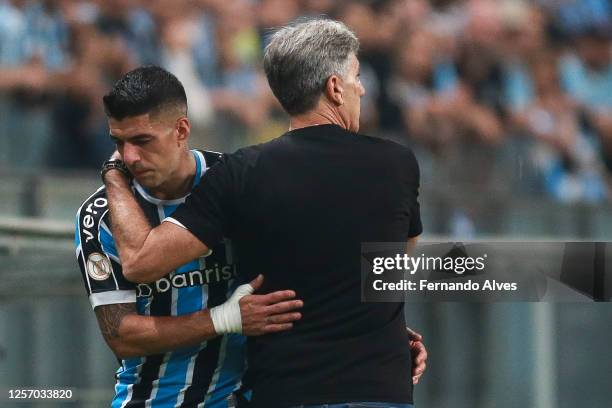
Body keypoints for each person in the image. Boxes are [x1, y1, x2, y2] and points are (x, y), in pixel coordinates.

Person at [102, 19, 426, 407]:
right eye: (356, 77)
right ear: (335, 88)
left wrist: (115, 176)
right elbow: (390, 272)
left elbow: (140, 262)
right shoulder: (398, 164)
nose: (361, 87)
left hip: (287, 392)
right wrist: (383, 329)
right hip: (381, 390)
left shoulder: (242, 172)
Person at [75, 66, 305, 407]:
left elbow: (307, 268)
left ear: (182, 130)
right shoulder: (100, 215)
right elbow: (122, 335)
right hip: (154, 399)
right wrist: (223, 319)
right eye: (118, 143)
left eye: (142, 140)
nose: (129, 158)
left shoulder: (235, 182)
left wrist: (379, 333)